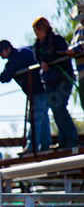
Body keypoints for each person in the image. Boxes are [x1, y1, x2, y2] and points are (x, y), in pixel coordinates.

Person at [0, 39, 53, 154]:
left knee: (35, 117)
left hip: (38, 90)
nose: (0, 55)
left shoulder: (15, 58)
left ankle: (32, 147)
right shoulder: (25, 51)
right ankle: (46, 145)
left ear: (8, 49)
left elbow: (4, 78)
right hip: (44, 87)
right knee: (42, 117)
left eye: (1, 51)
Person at [33, 16, 79, 150]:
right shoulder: (37, 45)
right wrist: (42, 61)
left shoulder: (57, 40)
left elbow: (62, 54)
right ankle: (63, 140)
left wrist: (47, 59)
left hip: (62, 78)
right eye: (35, 31)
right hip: (49, 80)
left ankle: (72, 139)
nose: (37, 33)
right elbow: (37, 56)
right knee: (54, 110)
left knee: (61, 108)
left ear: (44, 28)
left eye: (38, 30)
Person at [65, 4, 84, 113]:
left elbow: (77, 46)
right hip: (82, 74)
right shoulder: (78, 29)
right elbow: (72, 45)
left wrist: (78, 48)